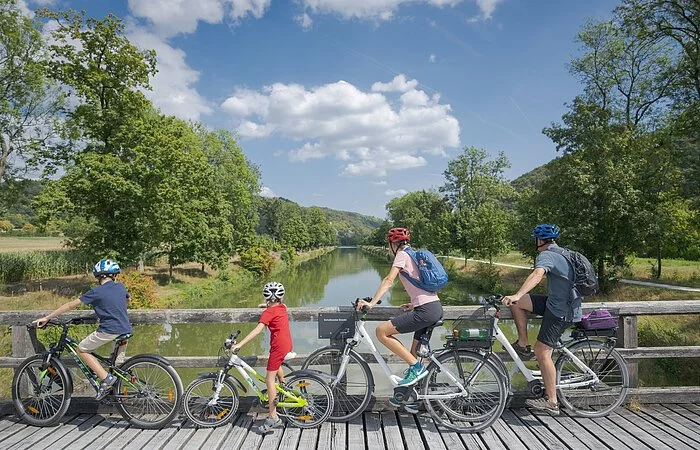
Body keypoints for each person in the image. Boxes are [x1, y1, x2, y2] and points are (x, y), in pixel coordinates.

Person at [502, 223, 582, 416]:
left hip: (562, 309)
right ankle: (522, 343)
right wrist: (517, 298)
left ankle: (552, 402)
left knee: (542, 351)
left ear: (539, 240)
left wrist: (517, 293)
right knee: (518, 304)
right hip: (557, 303)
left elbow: (537, 274)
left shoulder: (546, 255)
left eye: (535, 238)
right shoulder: (564, 252)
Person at [356, 227, 443, 388]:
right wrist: (415, 303)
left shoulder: (402, 255)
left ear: (393, 244)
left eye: (389, 244)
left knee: (381, 331)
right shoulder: (415, 256)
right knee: (413, 355)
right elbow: (424, 284)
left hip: (425, 311)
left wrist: (371, 303)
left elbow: (389, 280)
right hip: (434, 306)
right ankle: (411, 399)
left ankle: (417, 369)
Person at [34, 259, 132, 400]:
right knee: (116, 366)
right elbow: (128, 300)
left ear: (98, 277)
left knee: (81, 349)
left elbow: (70, 305)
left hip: (109, 330)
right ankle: (113, 391)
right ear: (114, 276)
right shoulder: (121, 287)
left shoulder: (96, 292)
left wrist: (47, 317)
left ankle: (105, 379)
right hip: (125, 329)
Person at [232, 281, 292, 434]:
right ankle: (284, 384)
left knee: (268, 379)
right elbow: (276, 307)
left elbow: (257, 330)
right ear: (280, 297)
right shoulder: (282, 308)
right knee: (274, 365)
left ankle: (273, 417)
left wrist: (240, 344)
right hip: (285, 344)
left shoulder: (268, 313)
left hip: (278, 347)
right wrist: (266, 306)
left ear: (266, 296)